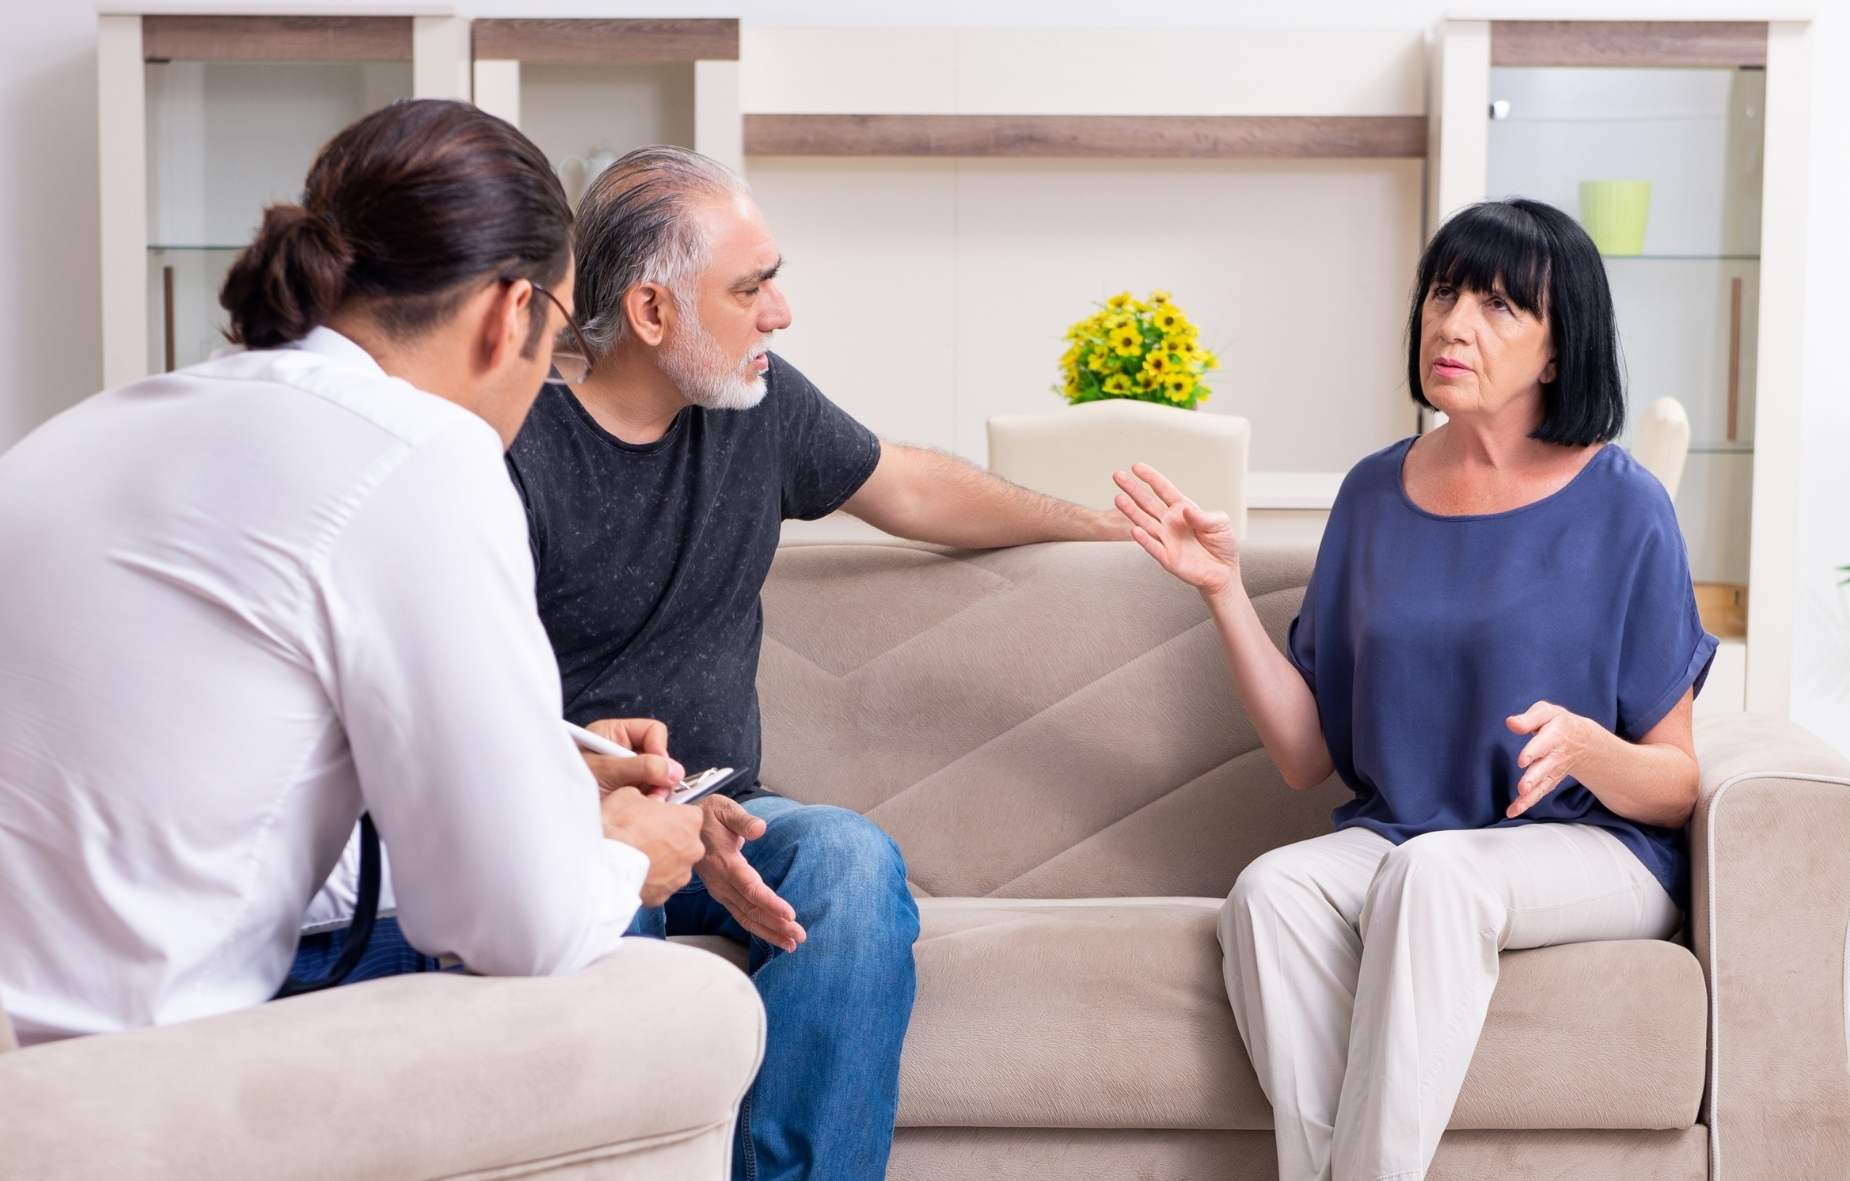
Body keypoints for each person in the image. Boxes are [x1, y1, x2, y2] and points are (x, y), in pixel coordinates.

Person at [0, 100, 704, 1045]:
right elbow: (520, 926)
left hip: (27, 1048)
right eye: (561, 344)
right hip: (134, 1075)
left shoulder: (98, 424)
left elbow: (206, 816)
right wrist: (621, 852)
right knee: (650, 963)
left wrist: (531, 768)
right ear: (511, 313)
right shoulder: (423, 452)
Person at [505, 145, 1131, 1181]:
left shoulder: (756, 406)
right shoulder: (514, 448)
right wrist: (603, 808)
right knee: (608, 905)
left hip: (733, 810)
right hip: (578, 822)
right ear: (651, 311)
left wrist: (1107, 529)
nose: (780, 313)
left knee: (850, 859)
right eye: (749, 288)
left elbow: (911, 487)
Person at [1114, 198, 1715, 1181]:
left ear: (1557, 351)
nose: (1453, 323)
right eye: (1443, 293)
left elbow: (1676, 784)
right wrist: (1221, 590)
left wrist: (1587, 747)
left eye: (1497, 305)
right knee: (1270, 891)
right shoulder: (1372, 493)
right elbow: (1305, 756)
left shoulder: (1625, 505)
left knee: (1436, 875)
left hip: (1590, 846)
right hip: (1405, 838)